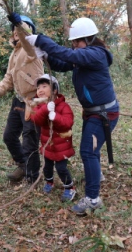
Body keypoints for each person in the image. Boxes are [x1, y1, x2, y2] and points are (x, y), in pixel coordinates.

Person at [22, 17, 120, 215]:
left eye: (77, 42)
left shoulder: (95, 54)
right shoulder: (83, 56)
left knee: (87, 151)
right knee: (92, 148)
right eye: (73, 43)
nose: (74, 46)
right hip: (94, 112)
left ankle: (93, 199)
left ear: (89, 39)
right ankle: (96, 174)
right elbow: (62, 62)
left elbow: (67, 54)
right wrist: (46, 56)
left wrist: (40, 39)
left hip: (103, 114)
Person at [0, 14, 44, 183]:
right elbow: (9, 78)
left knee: (29, 140)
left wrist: (19, 23)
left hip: (33, 101)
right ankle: (23, 165)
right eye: (15, 30)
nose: (17, 32)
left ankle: (32, 176)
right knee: (9, 136)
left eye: (22, 29)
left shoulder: (31, 49)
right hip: (18, 100)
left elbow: (27, 41)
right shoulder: (14, 54)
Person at [29, 74, 76, 202]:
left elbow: (67, 123)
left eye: (44, 86)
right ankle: (49, 182)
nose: (40, 90)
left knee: (61, 168)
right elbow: (36, 119)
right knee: (47, 167)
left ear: (54, 90)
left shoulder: (63, 107)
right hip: (47, 144)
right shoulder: (39, 106)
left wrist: (55, 116)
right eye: (38, 88)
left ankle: (69, 187)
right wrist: (45, 109)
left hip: (62, 146)